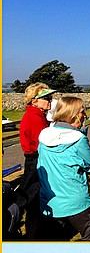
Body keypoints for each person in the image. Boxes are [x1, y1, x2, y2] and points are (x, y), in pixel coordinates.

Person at [36, 96, 90, 240]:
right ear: (74, 115)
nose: (85, 116)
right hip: (77, 201)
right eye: (83, 112)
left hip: (50, 201)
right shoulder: (78, 139)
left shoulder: (44, 136)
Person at [19, 82, 57, 238]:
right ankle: (35, 235)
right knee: (34, 199)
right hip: (36, 160)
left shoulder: (37, 115)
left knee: (35, 198)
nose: (49, 100)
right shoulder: (34, 117)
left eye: (50, 97)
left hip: (34, 159)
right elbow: (42, 143)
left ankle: (37, 231)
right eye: (46, 97)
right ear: (34, 100)